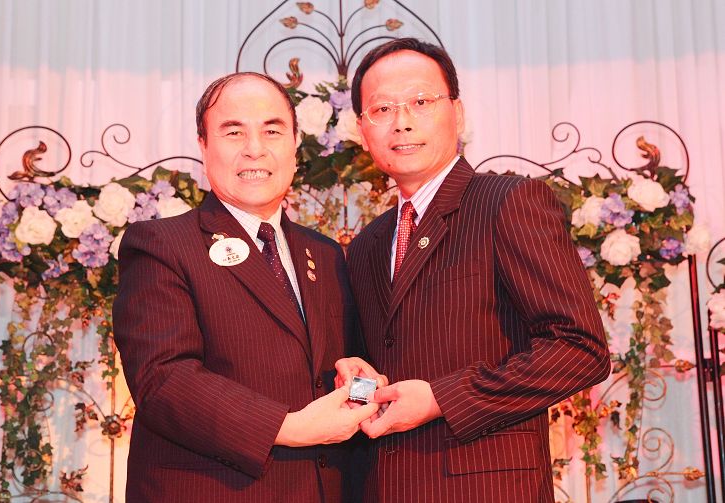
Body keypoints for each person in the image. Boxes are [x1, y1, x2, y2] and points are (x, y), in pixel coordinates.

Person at [336, 38, 611, 502]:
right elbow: (384, 368)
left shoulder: (508, 202)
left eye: (421, 101)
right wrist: (357, 380)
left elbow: (581, 350)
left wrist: (441, 399)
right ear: (362, 130)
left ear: (458, 113)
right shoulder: (367, 245)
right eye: (382, 109)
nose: (402, 122)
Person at [113, 72, 379, 502]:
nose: (255, 148)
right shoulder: (162, 245)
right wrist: (289, 427)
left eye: (272, 130)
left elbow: (348, 365)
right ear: (203, 145)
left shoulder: (326, 253)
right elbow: (163, 379)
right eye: (234, 131)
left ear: (295, 145)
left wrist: (362, 386)